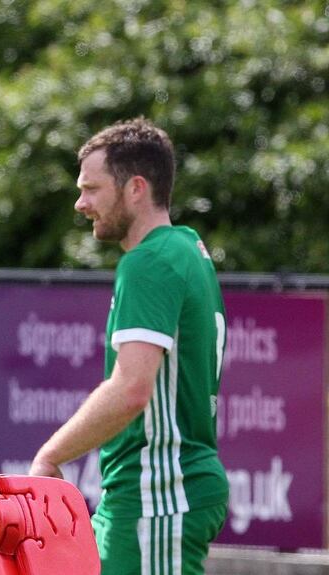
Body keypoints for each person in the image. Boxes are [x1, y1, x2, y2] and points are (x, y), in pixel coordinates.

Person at [29, 118, 228, 574]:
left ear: (136, 188)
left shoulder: (150, 261)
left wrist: (50, 456)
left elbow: (131, 389)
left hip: (158, 493)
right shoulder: (187, 247)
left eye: (92, 189)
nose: (81, 204)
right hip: (146, 493)